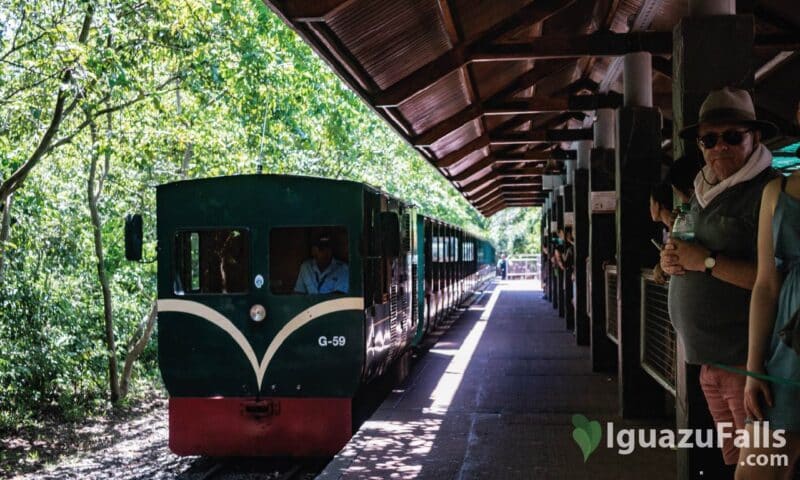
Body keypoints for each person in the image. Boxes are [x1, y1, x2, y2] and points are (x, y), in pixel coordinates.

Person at [661, 86, 780, 467]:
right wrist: (672, 261)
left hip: (749, 364)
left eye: (732, 136)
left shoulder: (769, 191)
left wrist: (707, 262)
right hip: (710, 365)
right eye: (709, 139)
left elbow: (777, 280)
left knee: (763, 467)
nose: (719, 147)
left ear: (755, 137)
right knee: (736, 464)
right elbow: (689, 248)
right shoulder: (703, 191)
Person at [737, 172, 800, 479]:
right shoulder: (777, 191)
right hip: (787, 351)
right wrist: (754, 368)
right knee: (755, 471)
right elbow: (765, 285)